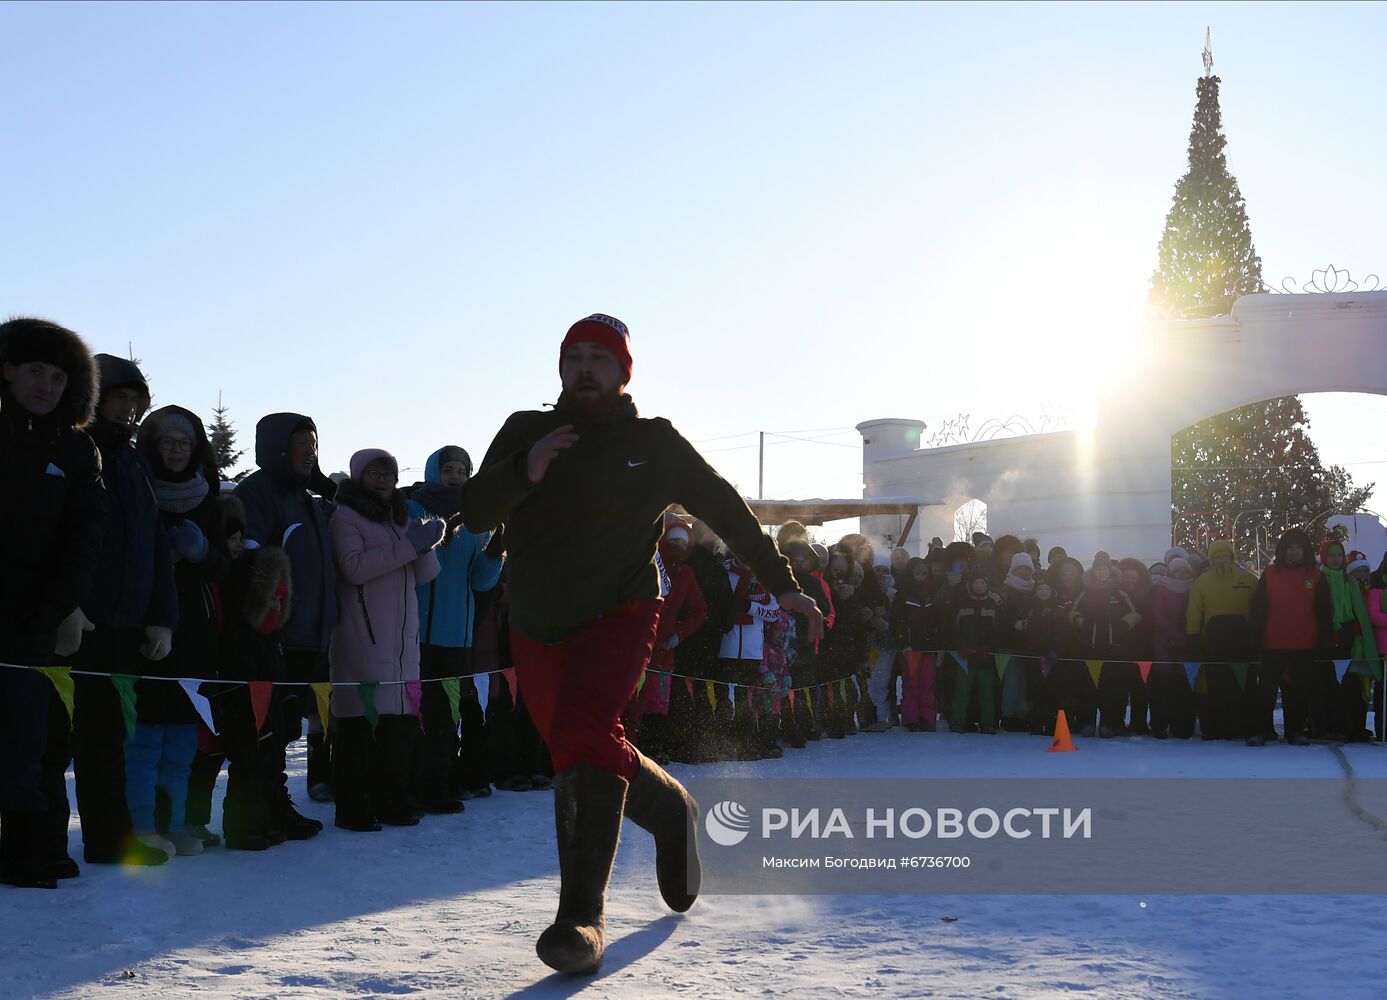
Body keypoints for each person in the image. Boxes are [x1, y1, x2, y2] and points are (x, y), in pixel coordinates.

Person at [459, 313, 823, 975]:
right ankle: (673, 812)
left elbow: (726, 508)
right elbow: (477, 511)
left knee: (581, 730)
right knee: (580, 745)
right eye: (574, 356)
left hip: (623, 610)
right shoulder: (526, 430)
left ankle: (580, 919)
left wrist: (783, 583)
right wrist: (525, 468)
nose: (585, 368)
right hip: (537, 621)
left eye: (600, 357)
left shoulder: (653, 443)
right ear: (561, 367)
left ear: (624, 371)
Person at [61, 354, 178, 867]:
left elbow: (154, 546)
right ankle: (55, 841)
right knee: (69, 742)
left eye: (136, 401)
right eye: (119, 397)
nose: (128, 409)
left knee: (110, 738)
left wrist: (161, 616)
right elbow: (59, 538)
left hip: (125, 623)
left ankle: (111, 838)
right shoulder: (74, 448)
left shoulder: (133, 463)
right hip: (80, 622)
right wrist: (70, 605)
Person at [0, 318, 105, 889]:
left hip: (35, 620)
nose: (45, 385)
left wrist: (56, 604)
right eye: (36, 371)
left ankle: (30, 849)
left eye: (58, 377)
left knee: (33, 745)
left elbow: (85, 536)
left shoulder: (75, 446)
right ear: (10, 370)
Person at [131, 406, 234, 857]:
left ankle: (173, 825)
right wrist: (161, 562)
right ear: (152, 445)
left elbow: (223, 568)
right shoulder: (136, 488)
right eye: (167, 442)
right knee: (147, 738)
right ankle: (141, 826)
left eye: (184, 443)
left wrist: (199, 552)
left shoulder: (207, 494)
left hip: (196, 629)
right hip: (148, 626)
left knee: (181, 737)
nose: (176, 450)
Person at [329, 449, 443, 831]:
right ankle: (353, 807)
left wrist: (425, 543)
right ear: (359, 475)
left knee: (397, 728)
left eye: (389, 474)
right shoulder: (345, 516)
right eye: (375, 473)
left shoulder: (400, 517)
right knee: (360, 727)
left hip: (402, 641)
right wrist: (410, 545)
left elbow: (425, 575)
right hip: (364, 635)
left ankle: (393, 799)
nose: (383, 480)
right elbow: (354, 568)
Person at [235, 414, 335, 834]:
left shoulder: (308, 499)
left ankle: (274, 805)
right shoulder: (258, 491)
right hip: (272, 634)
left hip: (307, 635)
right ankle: (250, 816)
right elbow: (248, 552)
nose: (310, 452)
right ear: (279, 447)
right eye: (302, 444)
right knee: (263, 728)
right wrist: (267, 619)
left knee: (285, 726)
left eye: (314, 444)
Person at [408, 446, 504, 810]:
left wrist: (495, 554)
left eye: (462, 471)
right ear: (434, 471)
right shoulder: (414, 510)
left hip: (456, 635)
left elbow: (480, 582)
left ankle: (439, 785)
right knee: (413, 714)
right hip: (415, 631)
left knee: (447, 714)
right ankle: (410, 785)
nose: (456, 476)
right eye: (449, 469)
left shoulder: (478, 519)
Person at [1249, 529, 1329, 746]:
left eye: (1298, 547)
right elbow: (1258, 609)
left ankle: (1295, 731)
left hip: (1304, 643)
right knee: (1266, 690)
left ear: (1305, 550)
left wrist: (1324, 641)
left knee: (1298, 692)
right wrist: (1255, 638)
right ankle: (1262, 730)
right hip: (1272, 642)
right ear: (1283, 551)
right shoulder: (1270, 574)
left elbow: (1324, 612)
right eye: (1290, 548)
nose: (1294, 552)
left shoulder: (1317, 576)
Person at [1184, 539, 1256, 741]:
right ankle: (1217, 728)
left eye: (1225, 555)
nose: (1221, 559)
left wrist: (1256, 636)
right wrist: (1193, 636)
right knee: (1217, 688)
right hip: (1213, 644)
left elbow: (1260, 610)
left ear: (1232, 556)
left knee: (1243, 686)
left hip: (1243, 643)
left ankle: (1244, 727)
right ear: (1211, 559)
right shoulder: (1202, 582)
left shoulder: (1249, 580)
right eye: (1216, 556)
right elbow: (1194, 611)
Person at [1070, 552, 1140, 738]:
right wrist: (1079, 621)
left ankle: (1107, 724)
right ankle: (1088, 722)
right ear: (1094, 572)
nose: (1102, 572)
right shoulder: (1085, 593)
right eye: (1098, 569)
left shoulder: (1119, 593)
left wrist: (1123, 625)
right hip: (1089, 647)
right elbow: (1074, 611)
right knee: (1088, 688)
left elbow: (1135, 614)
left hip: (1113, 648)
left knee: (1111, 688)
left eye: (1105, 569)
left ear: (1110, 571)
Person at [1149, 556, 1196, 740]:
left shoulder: (1194, 589)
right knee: (1164, 687)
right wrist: (1174, 636)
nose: (1181, 574)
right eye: (1178, 571)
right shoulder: (1162, 590)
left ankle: (1182, 726)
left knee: (1184, 688)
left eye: (1185, 571)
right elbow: (1159, 617)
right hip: (1164, 644)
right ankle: (1160, 725)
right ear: (1170, 572)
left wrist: (1187, 637)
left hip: (1187, 644)